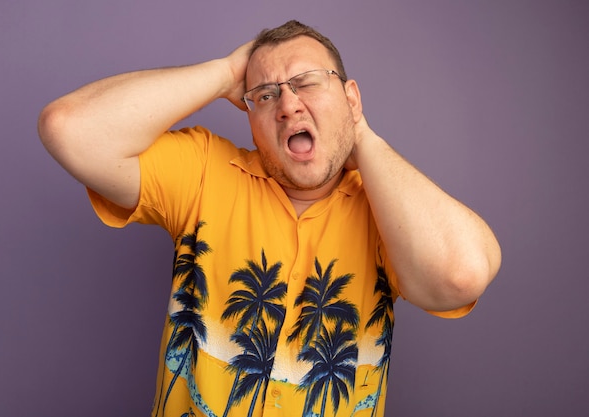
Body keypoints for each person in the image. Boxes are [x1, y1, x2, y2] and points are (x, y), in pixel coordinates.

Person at [38, 20, 501, 417]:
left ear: (351, 97)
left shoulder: (388, 209)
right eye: (264, 94)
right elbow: (69, 129)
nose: (288, 104)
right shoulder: (204, 171)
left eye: (307, 83)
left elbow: (460, 277)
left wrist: (360, 135)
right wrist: (223, 73)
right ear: (248, 114)